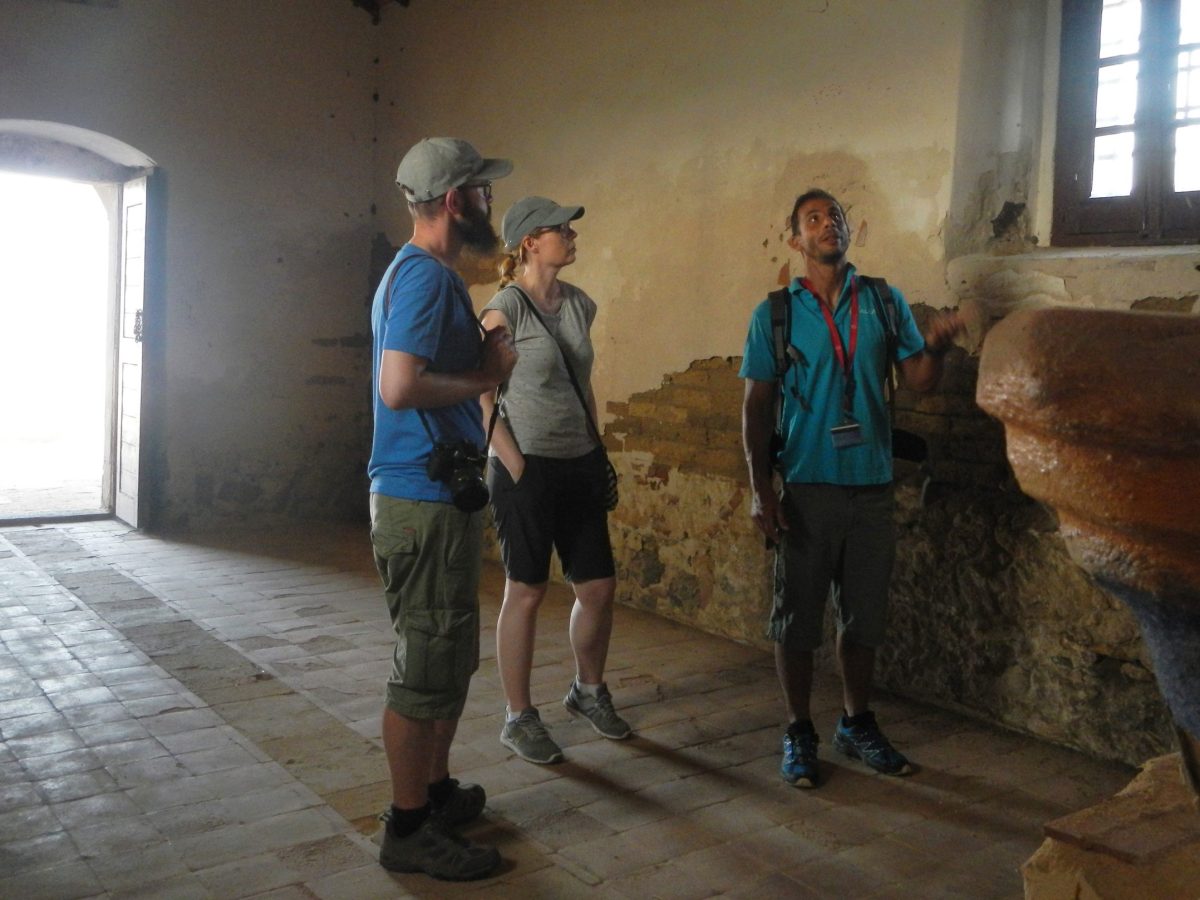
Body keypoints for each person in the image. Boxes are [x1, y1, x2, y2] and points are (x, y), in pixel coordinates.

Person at [740, 188, 964, 789]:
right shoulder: (775, 314)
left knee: (862, 617)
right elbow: (756, 410)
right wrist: (762, 489)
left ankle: (856, 722)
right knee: (796, 621)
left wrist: (936, 344)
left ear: (849, 231)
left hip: (871, 484)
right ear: (795, 240)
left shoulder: (883, 302)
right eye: (813, 219)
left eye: (834, 216)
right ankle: (798, 730)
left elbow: (919, 380)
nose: (827, 225)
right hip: (807, 487)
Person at [369, 137, 517, 880]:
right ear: (456, 201)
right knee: (424, 666)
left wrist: (478, 346)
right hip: (420, 499)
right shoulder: (426, 278)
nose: (490, 202)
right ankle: (407, 828)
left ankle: (432, 792)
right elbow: (400, 386)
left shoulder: (425, 276)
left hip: (433, 497)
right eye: (482, 191)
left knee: (443, 655)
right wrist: (486, 370)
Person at [479, 196, 631, 766]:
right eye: (560, 230)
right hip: (528, 466)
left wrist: (596, 443)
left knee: (596, 587)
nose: (571, 236)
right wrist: (514, 463)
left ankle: (588, 691)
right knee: (527, 591)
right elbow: (483, 391)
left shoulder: (579, 304)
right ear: (528, 243)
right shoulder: (505, 310)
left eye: (570, 229)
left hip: (579, 461)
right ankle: (519, 716)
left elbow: (581, 383)